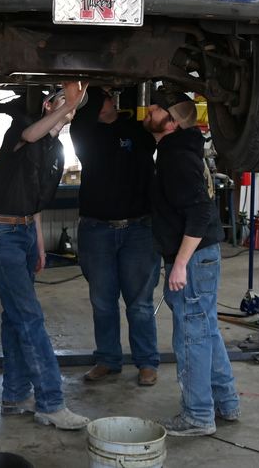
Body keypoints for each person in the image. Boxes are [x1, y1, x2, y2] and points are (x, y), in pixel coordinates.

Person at [0, 81, 91, 431]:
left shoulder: (53, 149)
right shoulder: (20, 131)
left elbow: (35, 198)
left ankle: (14, 396)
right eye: (61, 106)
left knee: (15, 317)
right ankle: (50, 402)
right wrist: (64, 106)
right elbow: (31, 134)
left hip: (25, 232)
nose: (68, 113)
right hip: (2, 234)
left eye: (71, 110)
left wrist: (39, 243)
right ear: (47, 107)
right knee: (29, 318)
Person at [144, 89, 240, 436]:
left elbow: (200, 212)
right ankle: (226, 402)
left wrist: (180, 263)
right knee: (206, 330)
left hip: (194, 258)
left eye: (155, 108)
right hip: (203, 255)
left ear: (171, 122)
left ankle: (198, 415)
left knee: (191, 336)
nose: (149, 111)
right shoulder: (181, 149)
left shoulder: (174, 158)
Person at [70, 87, 161, 386]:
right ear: (96, 105)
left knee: (140, 303)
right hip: (97, 230)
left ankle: (147, 363)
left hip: (139, 229)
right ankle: (108, 360)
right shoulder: (83, 134)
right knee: (103, 301)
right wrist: (83, 92)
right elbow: (81, 112)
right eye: (107, 97)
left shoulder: (136, 129)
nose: (113, 100)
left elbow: (156, 127)